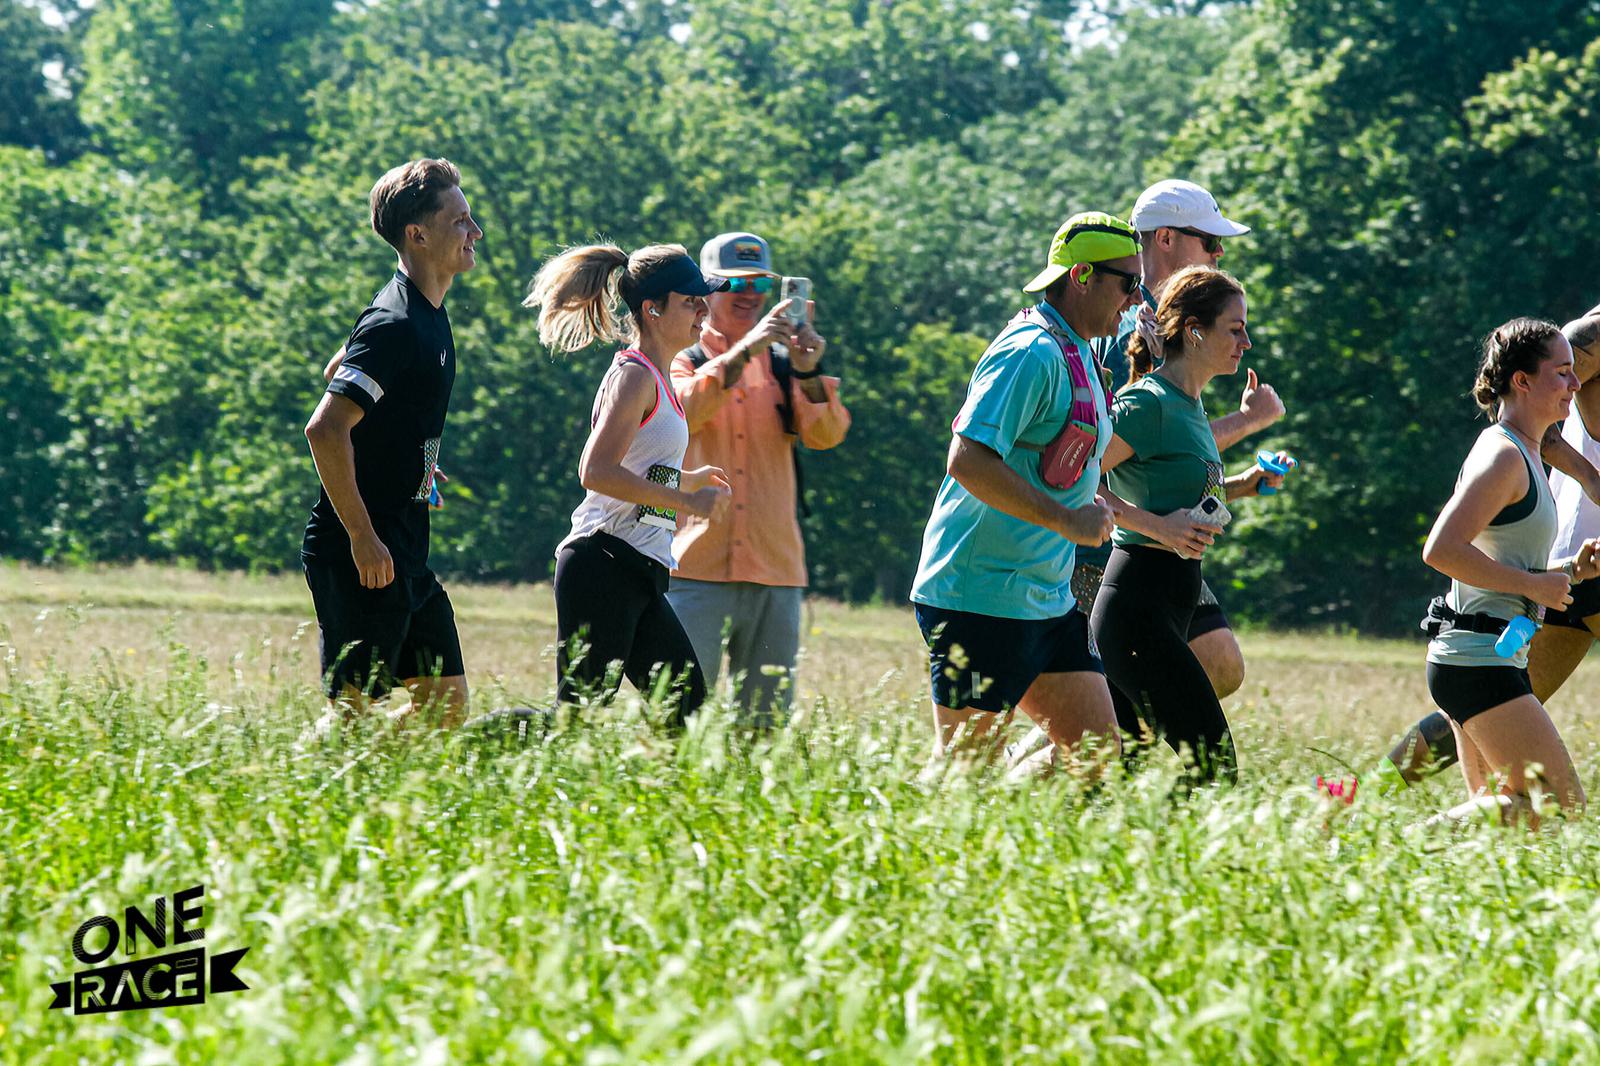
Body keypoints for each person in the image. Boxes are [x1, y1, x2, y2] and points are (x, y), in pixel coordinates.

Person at [909, 212, 1135, 770]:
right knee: (965, 772)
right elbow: (966, 459)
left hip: (1045, 599)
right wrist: (1065, 519)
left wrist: (1095, 502)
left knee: (1098, 756)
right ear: (1082, 275)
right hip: (979, 595)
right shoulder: (1029, 352)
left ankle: (1025, 849)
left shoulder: (1079, 348)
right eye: (1127, 283)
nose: (1134, 299)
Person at [1372, 309, 1600, 789]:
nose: (1573, 384)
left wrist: (1563, 572)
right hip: (1494, 627)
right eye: (1563, 374)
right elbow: (1440, 549)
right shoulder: (1505, 453)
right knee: (1551, 799)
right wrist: (1536, 581)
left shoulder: (1520, 450)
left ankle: (1365, 802)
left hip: (1520, 615)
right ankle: (1367, 800)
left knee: (1502, 789)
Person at [1076, 179, 1284, 701]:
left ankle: (1082, 767)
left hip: (1151, 545)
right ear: (1165, 237)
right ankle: (1043, 765)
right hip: (1102, 544)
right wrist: (1248, 423)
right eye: (1209, 240)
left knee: (1201, 671)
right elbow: (1098, 459)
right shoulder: (1121, 324)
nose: (1219, 252)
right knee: (1131, 691)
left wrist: (1235, 486)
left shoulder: (1174, 322)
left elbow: (1168, 456)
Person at [301, 158, 482, 729]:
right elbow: (325, 429)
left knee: (446, 708)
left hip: (403, 544)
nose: (475, 233)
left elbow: (343, 368)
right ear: (418, 234)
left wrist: (418, 461)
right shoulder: (396, 323)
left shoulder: (427, 314)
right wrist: (361, 535)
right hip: (362, 549)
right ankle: (311, 784)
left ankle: (369, 783)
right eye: (461, 221)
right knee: (352, 715)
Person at [1090, 266, 1290, 782]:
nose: (1246, 341)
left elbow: (1178, 491)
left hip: (1167, 602)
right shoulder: (1146, 402)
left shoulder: (1189, 405)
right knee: (1215, 769)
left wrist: (1244, 484)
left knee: (1110, 772)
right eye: (1235, 327)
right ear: (1196, 331)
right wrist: (1157, 527)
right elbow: (1071, 480)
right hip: (1137, 604)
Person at [524, 242, 733, 725]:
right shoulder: (635, 376)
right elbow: (595, 471)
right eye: (690, 302)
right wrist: (685, 499)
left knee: (687, 719)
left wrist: (685, 477)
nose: (703, 310)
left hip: (636, 572)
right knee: (575, 723)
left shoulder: (658, 379)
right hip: (602, 568)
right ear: (652, 310)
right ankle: (463, 749)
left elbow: (634, 467)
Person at [667, 232, 851, 727]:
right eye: (735, 282)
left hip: (775, 570)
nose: (750, 294)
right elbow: (685, 411)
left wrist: (809, 372)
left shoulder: (784, 366)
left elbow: (828, 434)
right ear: (705, 291)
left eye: (761, 285)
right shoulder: (682, 358)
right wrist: (749, 348)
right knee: (676, 718)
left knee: (763, 727)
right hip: (694, 568)